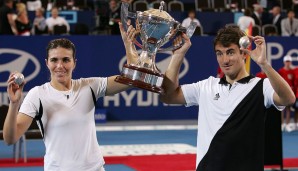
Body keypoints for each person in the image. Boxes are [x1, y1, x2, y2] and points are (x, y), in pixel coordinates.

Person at [157, 25, 295, 170]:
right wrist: (178, 55)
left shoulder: (261, 86)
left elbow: (288, 99)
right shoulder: (206, 86)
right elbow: (169, 96)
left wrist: (264, 64)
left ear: (244, 54)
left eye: (230, 52)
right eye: (219, 53)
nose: (225, 60)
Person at [3, 22, 137, 170]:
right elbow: (10, 139)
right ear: (47, 63)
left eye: (66, 60)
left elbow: (132, 79)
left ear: (74, 63)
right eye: (54, 60)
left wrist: (128, 44)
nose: (60, 66)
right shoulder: (37, 95)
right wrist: (14, 104)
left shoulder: (90, 86)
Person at [278, 55, 295, 132]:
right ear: (284, 62)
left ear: (290, 62)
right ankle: (282, 124)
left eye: (289, 61)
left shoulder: (292, 71)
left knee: (288, 109)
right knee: (282, 109)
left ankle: (287, 124)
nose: (287, 63)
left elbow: (294, 83)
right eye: (286, 61)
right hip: (282, 92)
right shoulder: (281, 71)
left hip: (290, 92)